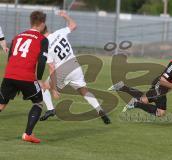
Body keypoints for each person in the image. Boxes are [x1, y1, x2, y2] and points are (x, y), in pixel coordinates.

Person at [40, 10, 111, 124]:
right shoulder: (59, 32)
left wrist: (53, 89)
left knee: (43, 87)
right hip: (75, 65)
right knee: (84, 91)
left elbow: (52, 68)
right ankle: (100, 110)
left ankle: (50, 109)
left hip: (62, 70)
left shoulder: (45, 45)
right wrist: (65, 16)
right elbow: (73, 25)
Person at [108, 50, 172, 117]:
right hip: (160, 84)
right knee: (144, 99)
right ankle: (125, 91)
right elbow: (163, 80)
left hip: (166, 88)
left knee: (160, 113)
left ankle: (131, 99)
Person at [0, 11, 48, 143]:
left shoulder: (18, 36)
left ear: (31, 22)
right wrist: (38, 78)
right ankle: (27, 134)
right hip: (26, 76)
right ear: (42, 23)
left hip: (9, 74)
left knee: (1, 104)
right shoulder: (42, 39)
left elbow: (10, 57)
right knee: (38, 103)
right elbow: (42, 61)